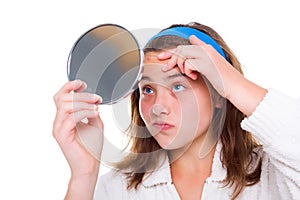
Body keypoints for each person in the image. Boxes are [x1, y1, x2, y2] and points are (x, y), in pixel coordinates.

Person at [53, 22, 300, 199]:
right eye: (147, 89)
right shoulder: (119, 189)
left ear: (218, 95)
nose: (158, 107)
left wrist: (235, 84)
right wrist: (84, 174)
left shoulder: (271, 174)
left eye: (178, 85)